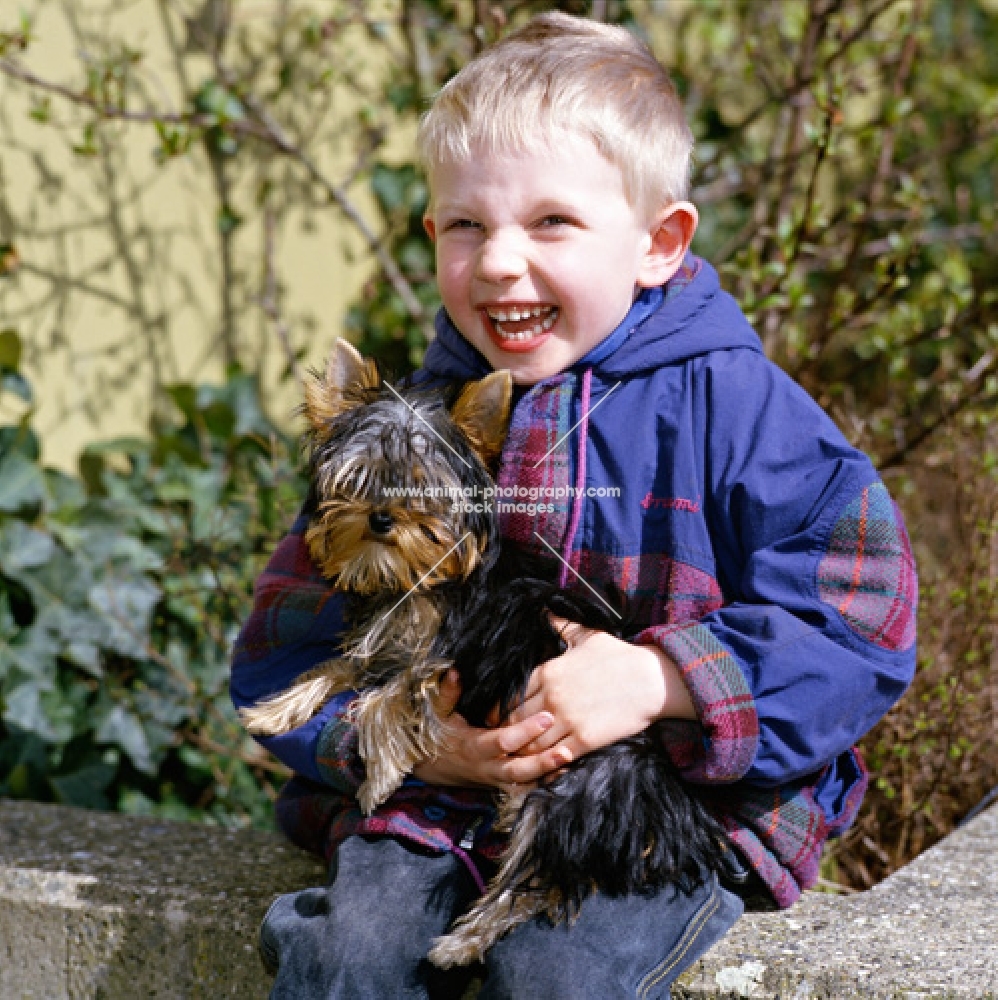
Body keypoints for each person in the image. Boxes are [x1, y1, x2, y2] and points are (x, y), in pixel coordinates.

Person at [230, 12, 917, 999]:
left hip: (648, 807)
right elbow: (281, 648)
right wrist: (416, 738)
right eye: (465, 224)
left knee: (554, 971)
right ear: (432, 234)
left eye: (551, 221)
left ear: (657, 243)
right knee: (344, 957)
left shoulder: (737, 409)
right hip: (442, 792)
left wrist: (661, 679)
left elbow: (860, 618)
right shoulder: (408, 435)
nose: (501, 260)